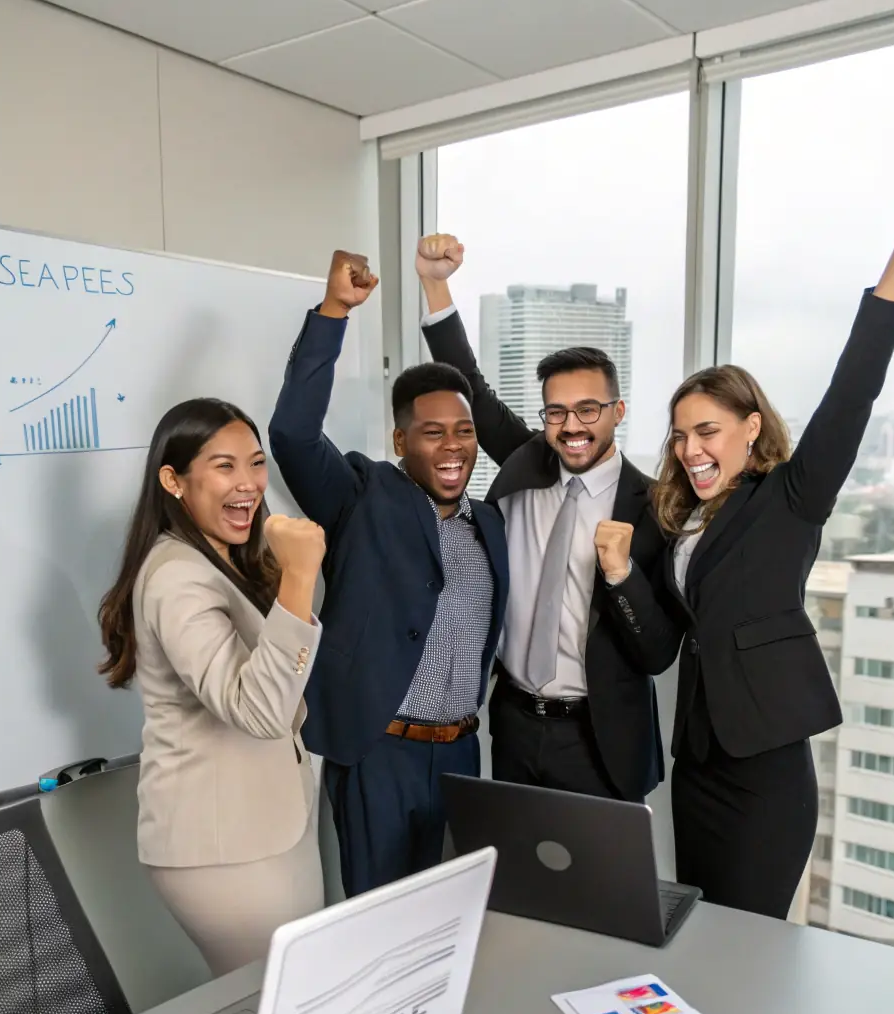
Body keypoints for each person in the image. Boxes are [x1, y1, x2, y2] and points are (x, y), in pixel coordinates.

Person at [603, 143, 894, 920]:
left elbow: (856, 384)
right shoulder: (679, 520)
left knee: (752, 953)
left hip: (765, 771)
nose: (692, 448)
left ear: (751, 426)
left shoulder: (791, 495)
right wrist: (626, 574)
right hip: (697, 763)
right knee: (701, 942)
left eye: (709, 430)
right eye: (681, 435)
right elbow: (661, 644)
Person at [269, 250, 509, 898]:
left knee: (453, 922)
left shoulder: (489, 523)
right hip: (381, 752)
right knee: (378, 922)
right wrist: (334, 312)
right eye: (432, 432)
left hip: (462, 756)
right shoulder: (361, 494)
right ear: (401, 440)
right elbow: (291, 433)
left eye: (463, 431)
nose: (453, 444)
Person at [415, 238, 673, 804]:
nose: (571, 425)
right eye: (556, 411)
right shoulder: (528, 459)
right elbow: (472, 389)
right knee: (517, 882)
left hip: (598, 736)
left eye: (588, 410)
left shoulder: (654, 508)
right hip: (512, 723)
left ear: (617, 412)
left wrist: (621, 574)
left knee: (598, 890)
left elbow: (657, 652)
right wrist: (436, 283)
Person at [98, 398, 326, 976]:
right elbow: (259, 711)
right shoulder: (177, 578)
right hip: (225, 846)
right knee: (267, 1007)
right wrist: (300, 575)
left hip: (269, 825)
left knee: (290, 1001)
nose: (248, 483)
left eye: (255, 463)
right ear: (173, 481)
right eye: (224, 466)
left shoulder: (221, 559)